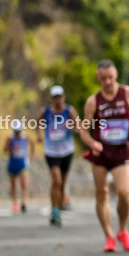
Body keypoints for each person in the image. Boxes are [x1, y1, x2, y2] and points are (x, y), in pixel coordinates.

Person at [78, 59, 129, 252]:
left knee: (125, 193)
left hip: (122, 151)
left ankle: (122, 230)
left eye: (110, 77)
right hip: (101, 153)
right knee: (101, 194)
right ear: (97, 78)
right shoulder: (93, 102)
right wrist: (92, 143)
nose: (108, 82)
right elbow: (83, 130)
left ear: (116, 74)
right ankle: (109, 236)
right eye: (103, 79)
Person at [39, 85, 80, 227]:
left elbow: (79, 127)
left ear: (64, 97)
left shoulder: (70, 111)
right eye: (55, 97)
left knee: (61, 182)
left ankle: (58, 209)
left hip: (66, 151)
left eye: (59, 97)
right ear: (51, 99)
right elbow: (38, 123)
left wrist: (72, 127)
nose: (57, 100)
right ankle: (54, 210)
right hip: (51, 151)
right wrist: (38, 135)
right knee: (56, 180)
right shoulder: (46, 112)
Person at [4, 119, 33, 214]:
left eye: (18, 131)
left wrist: (32, 154)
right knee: (13, 185)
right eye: (15, 131)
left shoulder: (25, 137)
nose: (17, 133)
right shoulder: (10, 138)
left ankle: (24, 202)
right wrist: (11, 147)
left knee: (24, 183)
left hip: (22, 163)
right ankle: (14, 202)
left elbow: (32, 143)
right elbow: (5, 149)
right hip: (13, 163)